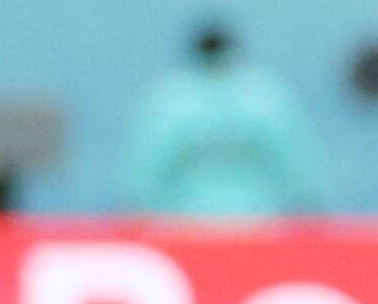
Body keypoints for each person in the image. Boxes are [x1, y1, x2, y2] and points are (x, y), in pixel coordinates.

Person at [115, 23, 325, 219]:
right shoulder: (265, 95)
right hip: (257, 227)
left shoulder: (170, 99)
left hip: (187, 230)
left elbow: (143, 172)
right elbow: (299, 166)